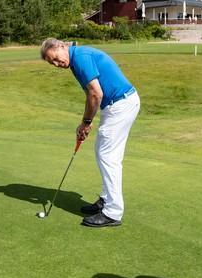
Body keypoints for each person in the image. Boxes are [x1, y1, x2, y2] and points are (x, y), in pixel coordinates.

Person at [40, 38, 140, 228]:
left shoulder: (81, 58)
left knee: (108, 156)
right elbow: (92, 94)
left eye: (55, 58)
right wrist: (87, 120)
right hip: (118, 105)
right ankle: (106, 200)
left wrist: (86, 122)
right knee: (103, 153)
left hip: (120, 104)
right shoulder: (77, 58)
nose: (56, 64)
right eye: (51, 63)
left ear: (62, 46)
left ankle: (112, 212)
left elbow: (96, 93)